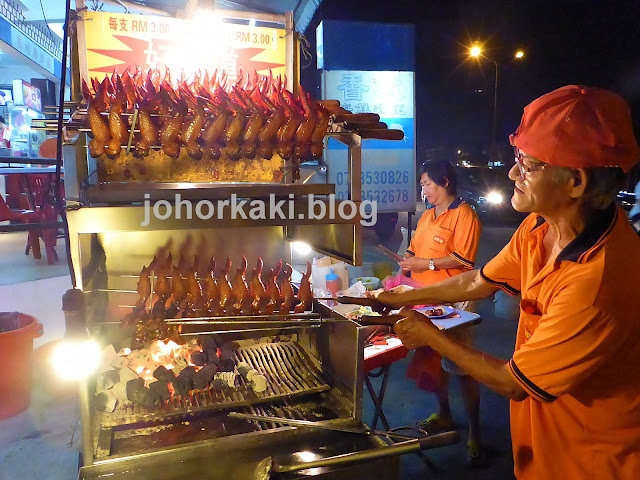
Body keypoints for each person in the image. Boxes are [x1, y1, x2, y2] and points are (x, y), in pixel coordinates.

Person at [375, 85, 640, 479]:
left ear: (576, 183)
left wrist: (430, 334)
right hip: (541, 442)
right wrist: (403, 298)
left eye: (529, 164)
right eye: (516, 157)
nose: (513, 172)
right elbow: (477, 282)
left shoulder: (598, 278)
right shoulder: (538, 227)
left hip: (592, 459)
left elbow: (513, 382)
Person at [398, 159, 485, 466]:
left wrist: (427, 264)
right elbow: (414, 250)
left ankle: (475, 431)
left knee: (462, 366)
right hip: (426, 298)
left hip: (455, 302)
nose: (424, 191)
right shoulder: (427, 216)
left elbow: (462, 259)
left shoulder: (464, 215)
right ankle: (445, 413)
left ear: (445, 182)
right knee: (432, 362)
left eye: (428, 185)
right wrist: (408, 262)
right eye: (422, 185)